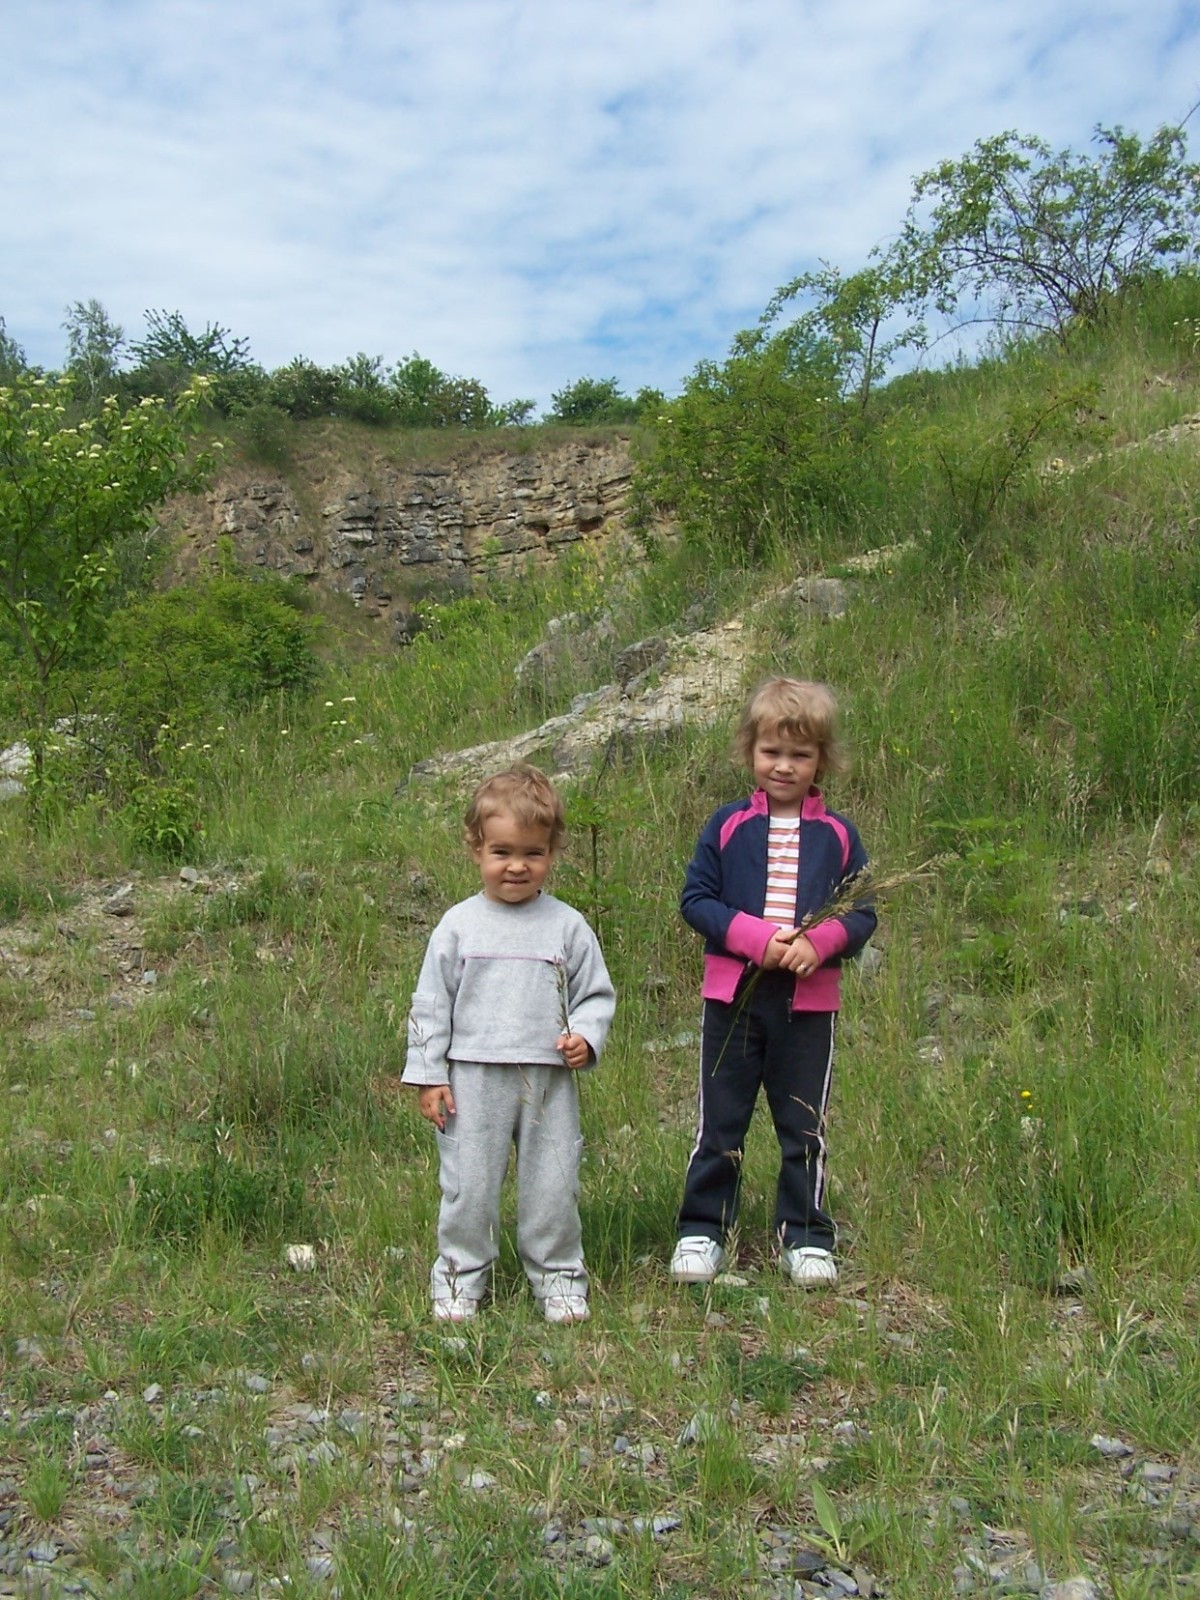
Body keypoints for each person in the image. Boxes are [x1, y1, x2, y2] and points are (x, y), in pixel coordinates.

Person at [670, 678, 875, 1289]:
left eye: (800, 754)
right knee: (720, 1121)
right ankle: (702, 1231)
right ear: (750, 751)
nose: (784, 766)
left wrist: (821, 942)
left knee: (803, 1124)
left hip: (807, 1005)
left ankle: (806, 1237)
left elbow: (862, 911)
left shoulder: (839, 835)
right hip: (733, 998)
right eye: (771, 752)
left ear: (822, 760)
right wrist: (755, 939)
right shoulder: (727, 825)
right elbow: (696, 900)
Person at [403, 763, 615, 1325]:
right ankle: (459, 1278)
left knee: (553, 1185)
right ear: (476, 849)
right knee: (468, 1186)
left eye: (532, 853)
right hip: (472, 1079)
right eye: (501, 852)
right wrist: (429, 1075)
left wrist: (585, 1037)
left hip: (548, 1078)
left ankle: (559, 1278)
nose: (517, 866)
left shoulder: (568, 926)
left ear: (552, 852)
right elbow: (431, 1004)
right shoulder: (458, 926)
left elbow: (595, 994)